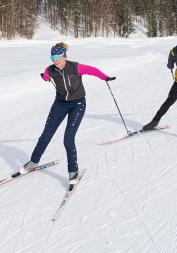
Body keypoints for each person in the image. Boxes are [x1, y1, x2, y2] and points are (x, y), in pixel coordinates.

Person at [14, 42, 115, 187]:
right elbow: (46, 76)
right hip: (60, 104)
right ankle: (33, 162)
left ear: (64, 56)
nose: (55, 60)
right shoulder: (50, 69)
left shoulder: (75, 67)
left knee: (68, 139)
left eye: (57, 57)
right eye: (52, 57)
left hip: (78, 104)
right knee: (46, 135)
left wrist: (105, 77)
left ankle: (73, 171)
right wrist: (45, 77)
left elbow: (92, 70)